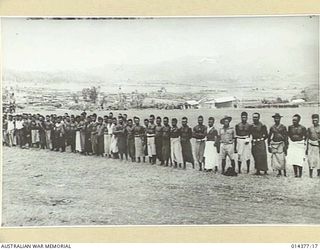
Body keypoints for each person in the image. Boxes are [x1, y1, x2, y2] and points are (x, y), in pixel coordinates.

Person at [268, 113, 288, 177]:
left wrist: (286, 146)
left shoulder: (283, 127)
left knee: (282, 158)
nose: (276, 119)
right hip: (275, 144)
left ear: (280, 119)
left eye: (278, 118)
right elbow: (269, 137)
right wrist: (269, 145)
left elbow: (286, 137)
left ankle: (284, 171)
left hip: (281, 143)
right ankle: (279, 171)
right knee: (276, 158)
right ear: (274, 119)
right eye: (275, 118)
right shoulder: (272, 127)